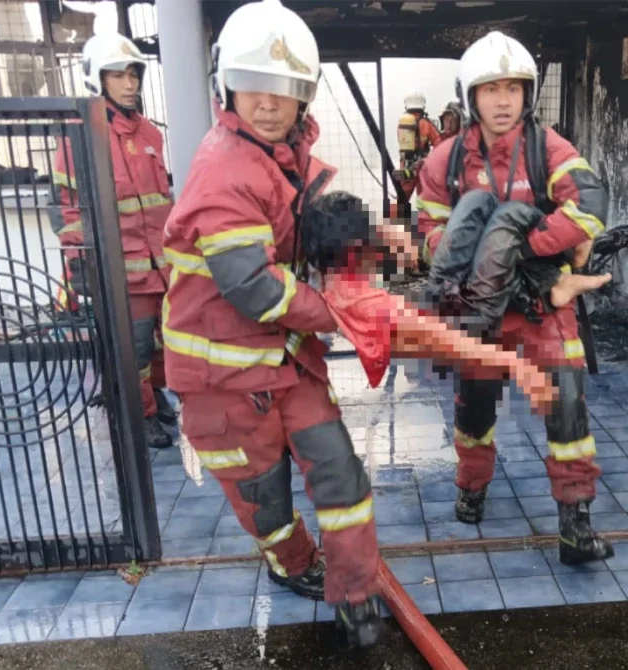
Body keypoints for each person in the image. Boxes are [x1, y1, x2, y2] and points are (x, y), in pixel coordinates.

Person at [161, 0, 387, 647]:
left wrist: (369, 243)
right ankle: (292, 564)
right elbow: (254, 287)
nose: (268, 103)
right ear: (228, 87)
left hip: (287, 367)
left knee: (340, 472)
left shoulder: (284, 157)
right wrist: (341, 312)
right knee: (269, 505)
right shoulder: (221, 170)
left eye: (284, 90)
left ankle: (354, 596)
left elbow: (310, 213)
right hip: (224, 383)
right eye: (254, 86)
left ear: (303, 98)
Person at [414, 30, 614, 565]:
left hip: (542, 309)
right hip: (481, 313)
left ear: (528, 94)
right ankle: (472, 486)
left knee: (568, 414)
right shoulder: (445, 160)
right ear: (470, 96)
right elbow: (429, 226)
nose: (503, 100)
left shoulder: (550, 149)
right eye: (490, 89)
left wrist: (524, 248)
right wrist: (472, 258)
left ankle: (576, 525)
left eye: (513, 88)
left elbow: (590, 205)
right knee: (473, 410)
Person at [302, 191, 609, 406]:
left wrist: (397, 243)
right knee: (508, 217)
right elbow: (449, 341)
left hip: (442, 294)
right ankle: (568, 261)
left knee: (478, 202)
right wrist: (519, 367)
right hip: (468, 317)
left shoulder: (331, 273)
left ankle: (554, 280)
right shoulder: (372, 308)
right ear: (356, 247)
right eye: (370, 234)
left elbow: (382, 245)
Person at [50, 32, 176, 450]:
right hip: (120, 268)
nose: (129, 84)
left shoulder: (150, 135)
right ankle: (140, 417)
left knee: (160, 342)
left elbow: (163, 202)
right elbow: (70, 208)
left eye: (133, 74)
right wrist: (78, 260)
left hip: (160, 265)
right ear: (97, 79)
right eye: (117, 75)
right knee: (133, 348)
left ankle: (154, 396)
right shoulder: (81, 134)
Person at [394, 90, 442, 201]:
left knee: (401, 200)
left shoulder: (402, 123)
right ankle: (423, 218)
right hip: (422, 167)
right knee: (425, 200)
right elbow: (438, 144)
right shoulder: (427, 123)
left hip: (406, 167)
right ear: (423, 104)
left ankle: (397, 218)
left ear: (406, 104)